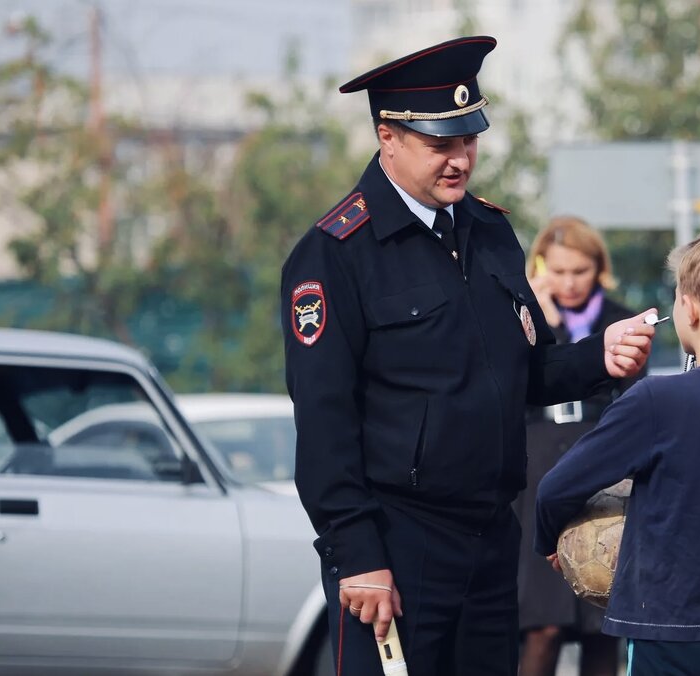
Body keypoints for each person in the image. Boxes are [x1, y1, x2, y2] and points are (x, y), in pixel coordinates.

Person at [279, 36, 656, 676]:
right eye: (440, 144)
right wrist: (358, 553)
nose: (460, 160)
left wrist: (602, 356)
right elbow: (324, 423)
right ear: (388, 135)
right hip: (396, 546)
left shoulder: (488, 231)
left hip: (490, 541)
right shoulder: (336, 253)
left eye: (468, 139)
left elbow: (526, 374)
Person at [534, 227, 700, 676]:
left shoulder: (656, 401)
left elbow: (556, 487)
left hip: (669, 628)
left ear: (690, 308)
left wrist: (549, 541)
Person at [516, 216, 641, 676]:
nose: (568, 283)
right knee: (542, 624)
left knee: (601, 624)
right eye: (559, 271)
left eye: (579, 272)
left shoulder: (619, 319)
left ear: (598, 270)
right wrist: (539, 326)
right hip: (536, 466)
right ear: (541, 267)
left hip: (597, 460)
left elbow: (633, 400)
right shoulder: (523, 316)